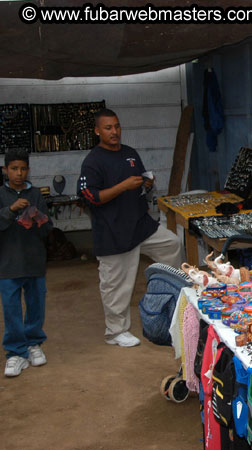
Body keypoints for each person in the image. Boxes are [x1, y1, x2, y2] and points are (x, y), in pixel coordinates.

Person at [78, 108, 183, 347]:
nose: (114, 131)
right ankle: (116, 332)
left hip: (140, 225)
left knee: (172, 244)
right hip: (113, 231)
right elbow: (90, 197)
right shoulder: (93, 161)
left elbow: (139, 184)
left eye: (117, 126)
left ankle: (169, 299)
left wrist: (146, 183)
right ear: (97, 131)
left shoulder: (130, 153)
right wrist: (123, 186)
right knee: (117, 285)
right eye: (108, 128)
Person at [0, 149, 53, 377]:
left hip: (34, 260)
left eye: (22, 169)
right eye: (14, 169)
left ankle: (33, 344)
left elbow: (48, 228)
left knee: (35, 304)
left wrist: (39, 218)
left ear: (28, 170)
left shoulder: (36, 194)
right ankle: (15, 353)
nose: (18, 173)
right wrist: (10, 210)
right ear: (5, 170)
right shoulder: (1, 194)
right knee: (11, 308)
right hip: (8, 263)